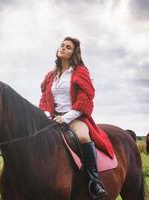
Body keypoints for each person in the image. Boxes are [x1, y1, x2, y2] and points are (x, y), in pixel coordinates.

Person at [39, 36, 114, 198]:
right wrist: (46, 115)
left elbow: (85, 99)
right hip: (52, 117)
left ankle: (94, 181)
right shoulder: (51, 75)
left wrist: (66, 117)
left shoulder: (80, 72)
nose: (63, 48)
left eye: (68, 47)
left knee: (82, 136)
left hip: (74, 117)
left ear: (74, 53)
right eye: (62, 45)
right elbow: (45, 99)